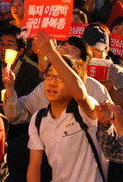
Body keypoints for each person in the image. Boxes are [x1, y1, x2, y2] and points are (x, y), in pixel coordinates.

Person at [26, 30, 107, 182]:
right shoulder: (38, 119)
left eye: (60, 78)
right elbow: (34, 166)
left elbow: (80, 93)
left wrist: (51, 52)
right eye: (49, 76)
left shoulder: (85, 110)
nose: (52, 82)